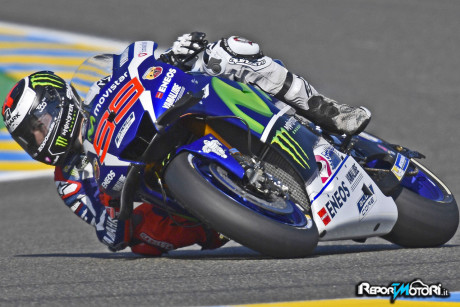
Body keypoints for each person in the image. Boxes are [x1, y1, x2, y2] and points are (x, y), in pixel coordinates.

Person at [1, 33, 370, 256]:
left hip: (178, 116)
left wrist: (176, 56)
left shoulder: (100, 88)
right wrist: (115, 214)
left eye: (37, 126)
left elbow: (141, 66)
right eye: (27, 137)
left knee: (229, 52)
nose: (36, 138)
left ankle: (327, 111)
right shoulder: (69, 179)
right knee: (141, 241)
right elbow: (107, 228)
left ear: (57, 103)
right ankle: (220, 217)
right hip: (165, 193)